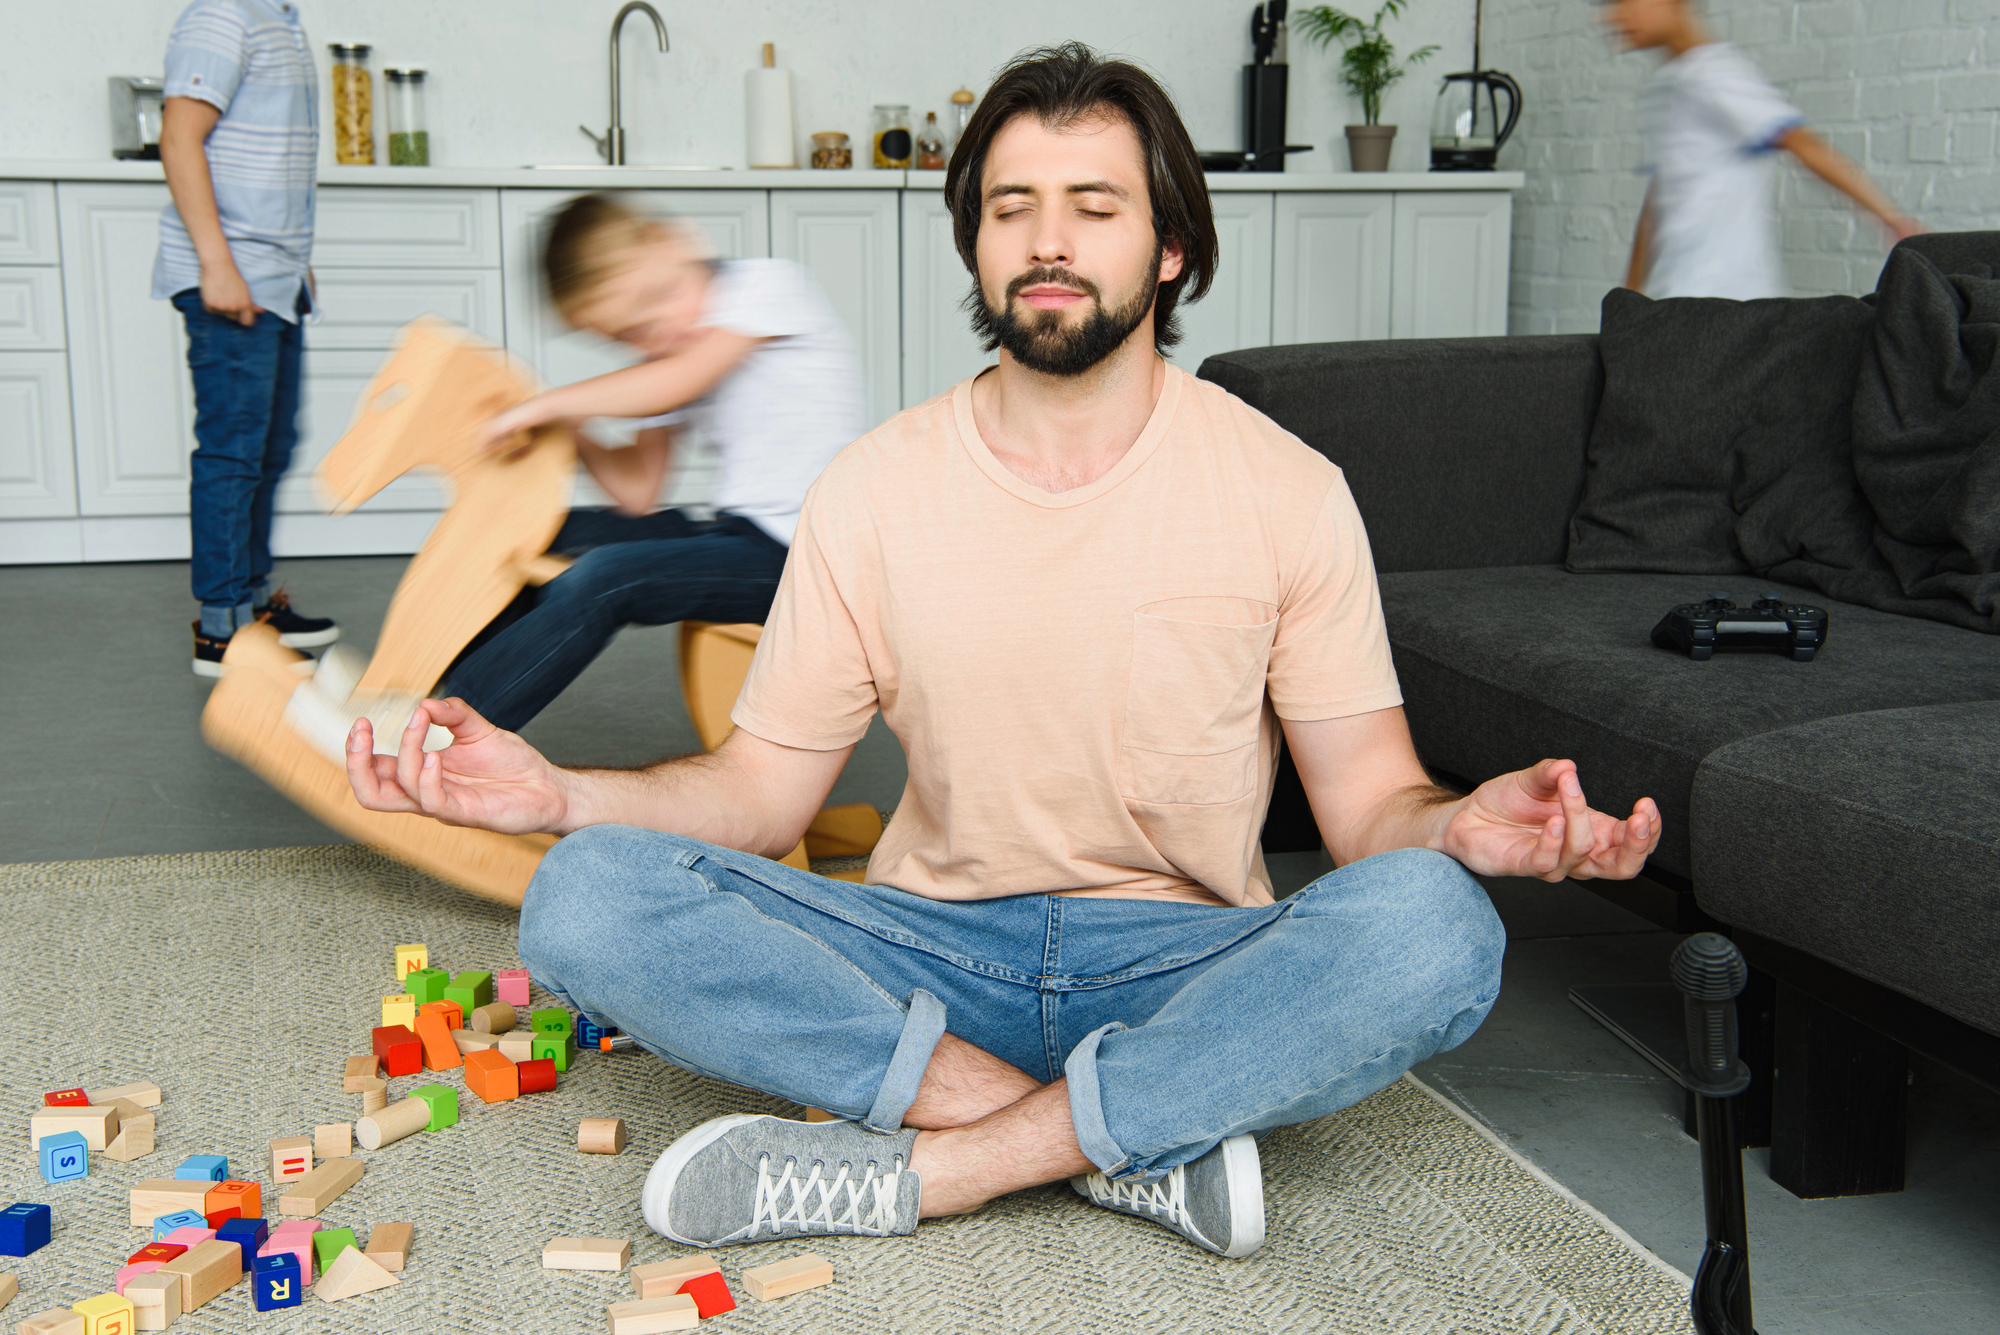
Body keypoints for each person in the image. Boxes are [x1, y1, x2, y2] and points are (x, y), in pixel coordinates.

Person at [347, 43, 1662, 1261]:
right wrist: (557, 792)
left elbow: (1374, 808)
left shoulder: (1289, 489)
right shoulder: (870, 489)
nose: (1046, 239)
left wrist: (1457, 829)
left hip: (1181, 957)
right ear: (975, 245)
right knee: (580, 893)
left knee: (1437, 926)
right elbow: (754, 798)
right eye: (1010, 205)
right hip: (930, 947)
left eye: (1094, 205)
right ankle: (1122, 1137)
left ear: (1169, 249)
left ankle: (933, 1168)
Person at [435, 194, 865, 732]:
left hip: (807, 561)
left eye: (659, 298)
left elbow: (674, 384)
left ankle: (445, 732)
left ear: (679, 241)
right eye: (627, 336)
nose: (656, 335)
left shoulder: (767, 287)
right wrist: (571, 426)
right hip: (736, 536)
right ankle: (430, 688)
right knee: (535, 530)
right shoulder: (673, 351)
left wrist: (548, 403)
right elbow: (637, 491)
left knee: (607, 578)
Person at [156, 0, 339, 676]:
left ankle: (255, 606)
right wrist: (216, 262)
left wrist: (294, 262)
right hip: (231, 274)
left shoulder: (278, 18)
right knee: (234, 450)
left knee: (272, 446)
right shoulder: (222, 14)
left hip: (272, 276)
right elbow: (180, 138)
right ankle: (221, 626)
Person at [1604, 0, 1923, 299]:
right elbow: (1659, 198)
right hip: (1676, 292)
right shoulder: (1668, 85)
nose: (1613, 15)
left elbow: (1802, 145)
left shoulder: (1716, 74)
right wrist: (1632, 293)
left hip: (1726, 296)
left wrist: (1890, 218)